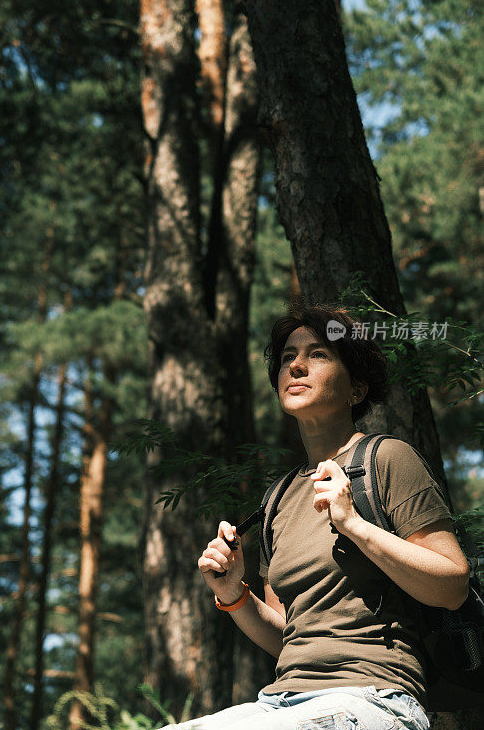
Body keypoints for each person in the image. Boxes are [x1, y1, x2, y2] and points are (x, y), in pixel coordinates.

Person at [162, 304, 470, 730]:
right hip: (281, 702)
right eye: (288, 357)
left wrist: (355, 526)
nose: (297, 366)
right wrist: (234, 594)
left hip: (377, 697)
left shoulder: (386, 460)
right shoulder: (279, 499)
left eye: (319, 354)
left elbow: (453, 585)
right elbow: (289, 634)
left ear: (357, 389)